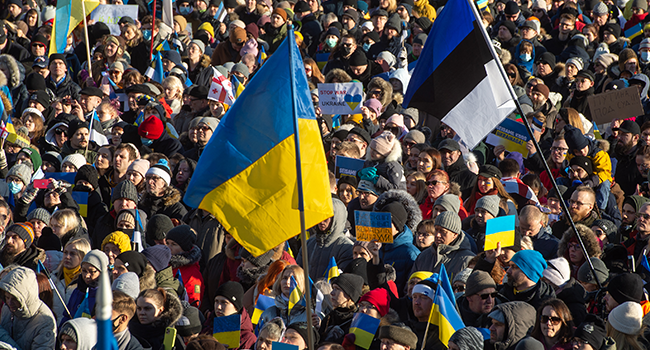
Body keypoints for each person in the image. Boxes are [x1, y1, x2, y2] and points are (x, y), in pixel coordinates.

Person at [0, 266, 57, 350]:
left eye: (15, 299)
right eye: (7, 297)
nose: (9, 302)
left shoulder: (45, 321)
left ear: (26, 296)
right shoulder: (7, 308)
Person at [296, 198, 353, 278]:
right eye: (320, 215)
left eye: (327, 216)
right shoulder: (309, 244)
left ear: (337, 218)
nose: (322, 220)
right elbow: (297, 273)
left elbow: (341, 280)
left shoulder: (347, 247)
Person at [410, 211, 475, 278]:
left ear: (455, 234)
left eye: (443, 232)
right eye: (436, 230)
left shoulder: (467, 260)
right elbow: (410, 284)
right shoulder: (423, 257)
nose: (437, 235)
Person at [201, 281, 256, 350]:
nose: (218, 307)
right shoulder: (206, 331)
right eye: (216, 301)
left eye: (224, 302)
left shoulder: (248, 338)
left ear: (236, 307)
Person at [319, 273, 364, 342]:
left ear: (349, 295)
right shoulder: (329, 317)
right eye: (333, 288)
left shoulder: (358, 321)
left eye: (337, 289)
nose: (332, 293)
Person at [166, 225, 204, 307]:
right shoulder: (165, 264)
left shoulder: (192, 273)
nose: (169, 247)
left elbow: (194, 302)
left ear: (184, 247)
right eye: (167, 243)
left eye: (174, 244)